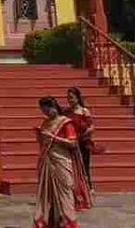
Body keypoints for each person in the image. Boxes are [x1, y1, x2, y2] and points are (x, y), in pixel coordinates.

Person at [32, 96, 91, 228]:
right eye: (43, 111)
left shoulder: (65, 123)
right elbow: (43, 143)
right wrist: (40, 136)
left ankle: (68, 223)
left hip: (61, 162)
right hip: (47, 161)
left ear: (53, 107)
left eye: (47, 110)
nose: (46, 114)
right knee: (46, 195)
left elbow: (73, 143)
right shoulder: (45, 122)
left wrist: (53, 137)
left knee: (65, 194)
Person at [64, 87, 96, 191]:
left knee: (83, 167)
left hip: (82, 143)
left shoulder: (84, 111)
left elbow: (91, 127)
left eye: (72, 98)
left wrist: (83, 135)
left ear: (77, 98)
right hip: (71, 143)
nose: (70, 100)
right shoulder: (66, 112)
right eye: (68, 98)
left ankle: (87, 189)